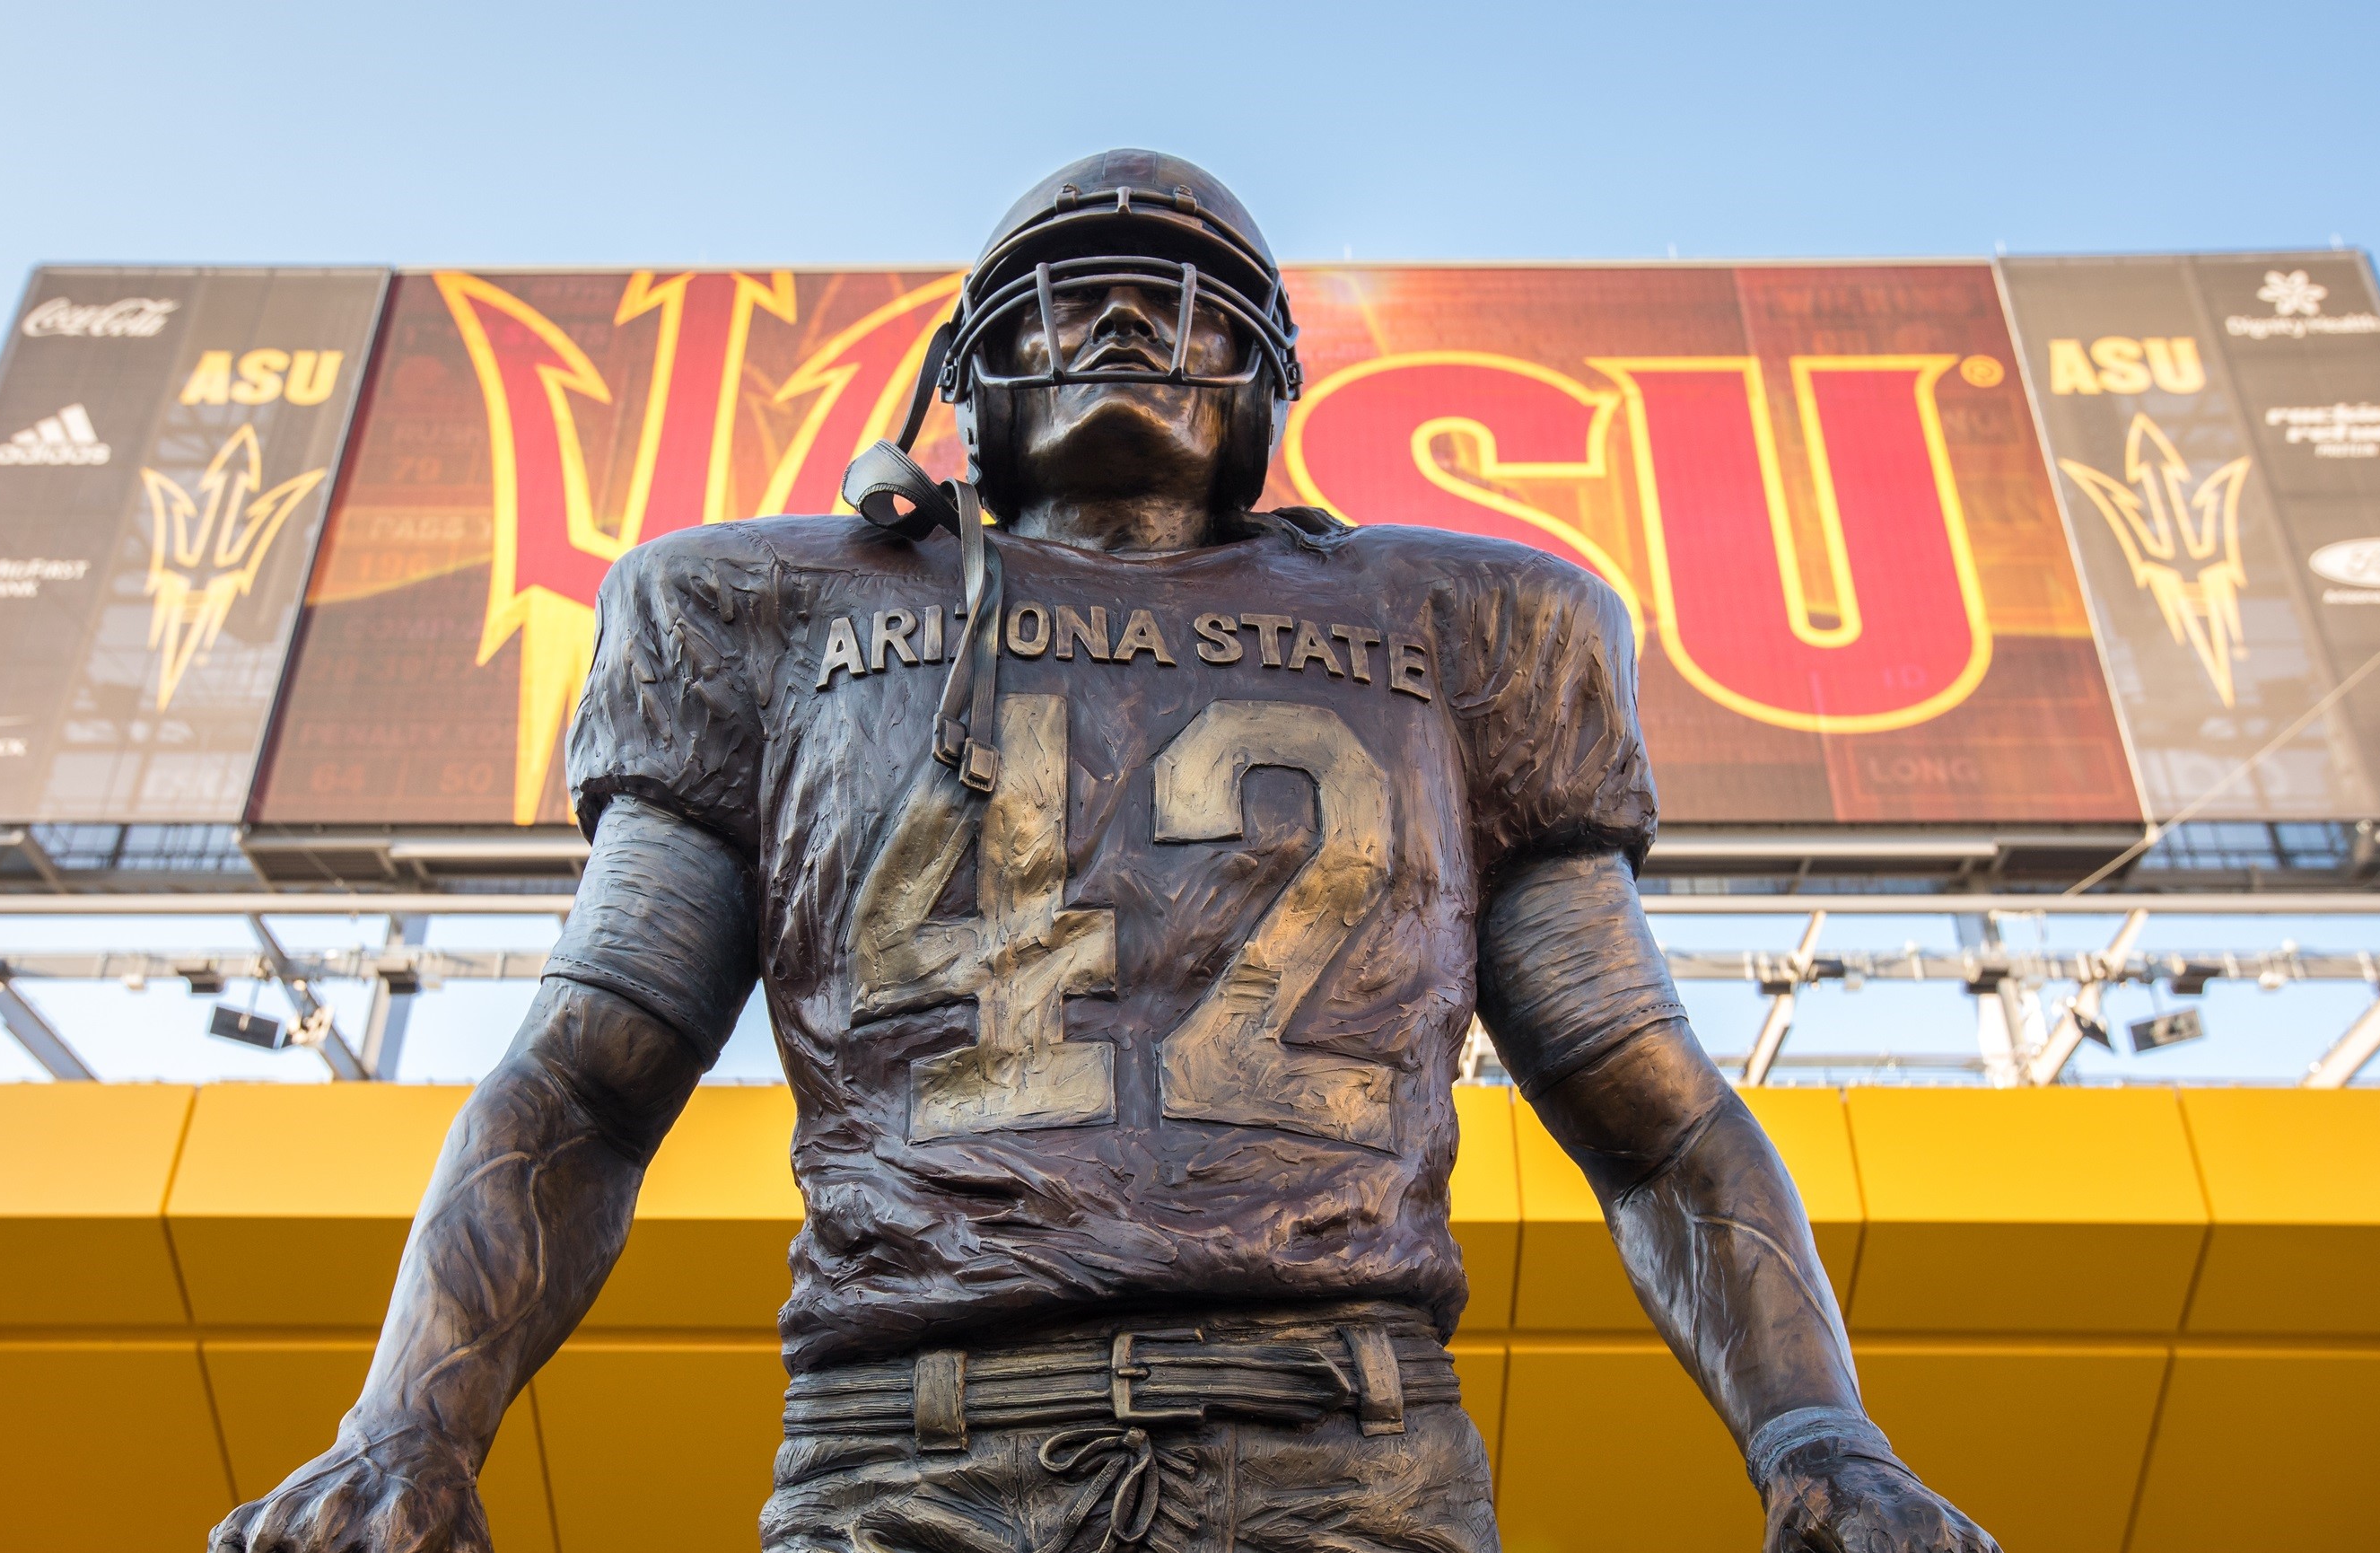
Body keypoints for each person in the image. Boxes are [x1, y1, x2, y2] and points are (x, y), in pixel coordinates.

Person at [212, 149, 1996, 1553]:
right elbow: (588, 1078)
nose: (1130, 325)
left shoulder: (1474, 628)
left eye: (1185, 300)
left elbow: (1655, 1110)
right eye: (1078, 297)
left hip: (1342, 1443)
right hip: (903, 1442)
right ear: (974, 368)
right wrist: (404, 1430)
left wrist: (1821, 1433)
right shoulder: (762, 615)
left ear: (1265, 370)